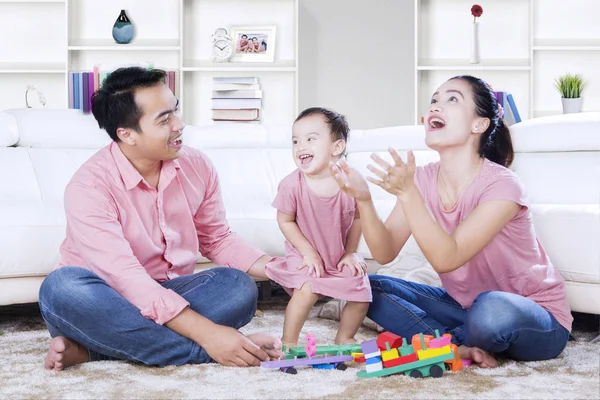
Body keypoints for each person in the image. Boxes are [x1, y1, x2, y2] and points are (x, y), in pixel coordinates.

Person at [38, 66, 283, 371]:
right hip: (104, 297)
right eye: (164, 119)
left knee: (238, 286)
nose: (180, 125)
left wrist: (279, 270)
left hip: (169, 292)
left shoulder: (197, 166)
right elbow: (125, 278)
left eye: (175, 111)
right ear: (126, 134)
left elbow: (216, 237)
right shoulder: (89, 187)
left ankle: (95, 351)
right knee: (61, 288)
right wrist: (211, 336)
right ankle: (205, 350)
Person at [329, 75, 572, 368]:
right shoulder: (420, 179)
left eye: (452, 99)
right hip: (464, 307)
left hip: (533, 313)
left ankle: (443, 339)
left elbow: (448, 257)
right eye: (434, 99)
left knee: (491, 311)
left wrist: (408, 194)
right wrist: (364, 201)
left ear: (479, 124)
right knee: (368, 288)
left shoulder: (504, 185)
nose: (436, 106)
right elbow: (385, 252)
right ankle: (456, 347)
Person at [265, 107, 372, 349]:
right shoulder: (292, 185)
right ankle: (289, 341)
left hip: (337, 253)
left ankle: (344, 337)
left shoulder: (349, 182)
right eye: (295, 141)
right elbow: (285, 220)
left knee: (361, 291)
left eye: (311, 139)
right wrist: (307, 252)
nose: (300, 146)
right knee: (307, 289)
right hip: (304, 252)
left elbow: (357, 219)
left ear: (336, 148)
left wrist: (350, 252)